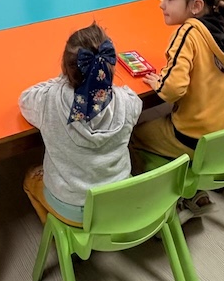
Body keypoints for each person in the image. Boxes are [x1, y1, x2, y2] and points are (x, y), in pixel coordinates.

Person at [131, 0, 224, 222]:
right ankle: (194, 189)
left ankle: (172, 199)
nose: (162, 4)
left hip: (195, 139)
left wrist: (159, 82)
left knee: (133, 133)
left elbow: (172, 90)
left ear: (196, 6)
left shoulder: (187, 32)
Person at [19, 23, 142, 225]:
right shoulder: (128, 102)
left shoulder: (50, 100)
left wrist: (61, 80)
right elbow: (133, 104)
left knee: (31, 177)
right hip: (117, 199)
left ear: (65, 67)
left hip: (71, 207)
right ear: (110, 65)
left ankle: (57, 232)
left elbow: (25, 99)